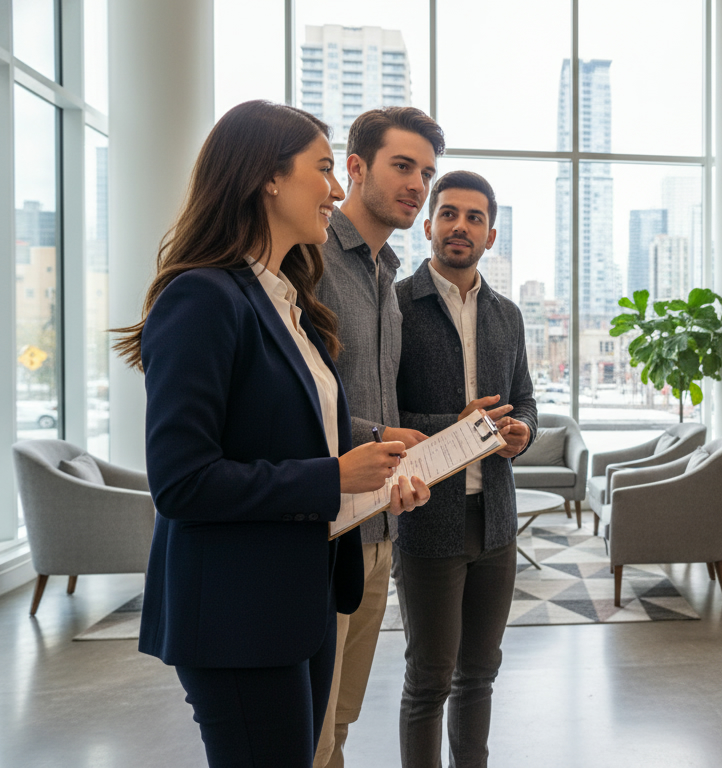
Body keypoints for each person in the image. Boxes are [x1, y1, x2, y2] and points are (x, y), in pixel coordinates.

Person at [114, 100, 430, 767]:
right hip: (237, 615)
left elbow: (297, 448)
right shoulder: (202, 297)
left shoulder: (290, 303)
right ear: (268, 177)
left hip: (299, 600)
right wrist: (335, 476)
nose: (337, 190)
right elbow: (182, 482)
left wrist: (375, 483)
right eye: (324, 168)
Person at [311, 106, 443, 768]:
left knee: (341, 718)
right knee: (311, 728)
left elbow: (379, 399)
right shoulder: (309, 260)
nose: (417, 184)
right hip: (324, 526)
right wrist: (378, 435)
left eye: (426, 173)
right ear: (355, 168)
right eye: (402, 166)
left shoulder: (386, 273)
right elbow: (300, 403)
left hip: (380, 525)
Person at [394, 170, 536, 768]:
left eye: (474, 217)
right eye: (449, 214)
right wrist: (453, 428)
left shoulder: (508, 315)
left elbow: (525, 399)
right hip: (427, 520)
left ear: (491, 235)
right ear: (428, 225)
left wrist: (521, 432)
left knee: (480, 674)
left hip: (496, 521)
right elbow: (380, 417)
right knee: (430, 679)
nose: (460, 226)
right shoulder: (396, 306)